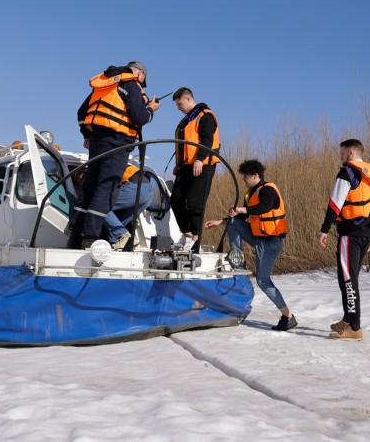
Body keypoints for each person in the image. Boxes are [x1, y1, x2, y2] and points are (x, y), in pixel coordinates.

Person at [69, 61, 161, 249]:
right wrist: (151, 108)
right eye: (143, 80)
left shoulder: (105, 84)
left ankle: (75, 235)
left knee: (90, 188)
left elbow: (81, 112)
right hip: (117, 144)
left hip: (97, 143)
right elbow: (139, 117)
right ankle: (90, 239)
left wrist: (87, 135)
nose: (142, 83)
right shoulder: (131, 84)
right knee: (106, 190)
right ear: (139, 73)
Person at [204, 159, 296, 331]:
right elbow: (240, 218)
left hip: (270, 243)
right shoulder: (250, 193)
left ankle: (287, 315)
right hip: (258, 238)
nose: (243, 179)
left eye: (245, 176)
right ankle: (237, 258)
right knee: (232, 222)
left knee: (262, 280)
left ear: (255, 175)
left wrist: (241, 209)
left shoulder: (268, 189)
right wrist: (219, 222)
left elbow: (264, 208)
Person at [318, 139, 370, 340]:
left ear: (349, 152)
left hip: (351, 233)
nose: (340, 156)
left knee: (348, 279)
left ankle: (354, 328)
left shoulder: (347, 172)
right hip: (367, 233)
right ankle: (348, 318)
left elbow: (335, 203)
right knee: (347, 277)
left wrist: (324, 229)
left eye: (341, 152)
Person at [170, 87, 219, 250]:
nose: (178, 108)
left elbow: (207, 140)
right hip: (186, 167)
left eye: (179, 104)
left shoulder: (205, 116)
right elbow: (184, 146)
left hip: (203, 165)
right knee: (175, 199)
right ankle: (188, 234)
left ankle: (196, 238)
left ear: (188, 99)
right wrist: (179, 165)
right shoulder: (185, 121)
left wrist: (199, 159)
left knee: (194, 202)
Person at [103, 164, 153, 250]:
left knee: (99, 206)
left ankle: (123, 234)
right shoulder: (122, 162)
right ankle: (117, 242)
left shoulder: (106, 165)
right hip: (149, 193)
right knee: (118, 221)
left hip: (134, 188)